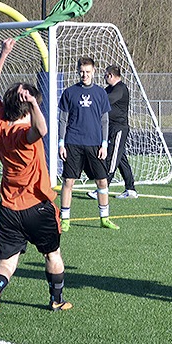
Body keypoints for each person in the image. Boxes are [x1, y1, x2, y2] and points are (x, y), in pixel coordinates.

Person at [0, 38, 73, 329]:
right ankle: (56, 299)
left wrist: (3, 53)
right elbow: (42, 129)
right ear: (27, 108)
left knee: (7, 263)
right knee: (53, 255)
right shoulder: (24, 135)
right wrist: (34, 102)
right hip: (37, 207)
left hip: (8, 208)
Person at [58, 57, 120, 231]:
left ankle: (104, 218)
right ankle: (65, 219)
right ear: (78, 71)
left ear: (93, 72)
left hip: (95, 144)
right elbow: (63, 119)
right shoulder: (69, 92)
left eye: (87, 72)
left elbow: (105, 120)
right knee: (68, 182)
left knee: (102, 182)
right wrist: (61, 143)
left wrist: (104, 144)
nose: (84, 75)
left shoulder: (100, 93)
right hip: (73, 143)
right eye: (81, 72)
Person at [87, 65, 138, 200]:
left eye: (105, 75)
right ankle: (130, 188)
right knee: (121, 159)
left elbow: (105, 101)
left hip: (119, 128)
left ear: (110, 75)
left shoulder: (120, 88)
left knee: (111, 158)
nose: (104, 77)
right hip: (110, 128)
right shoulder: (108, 89)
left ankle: (103, 188)